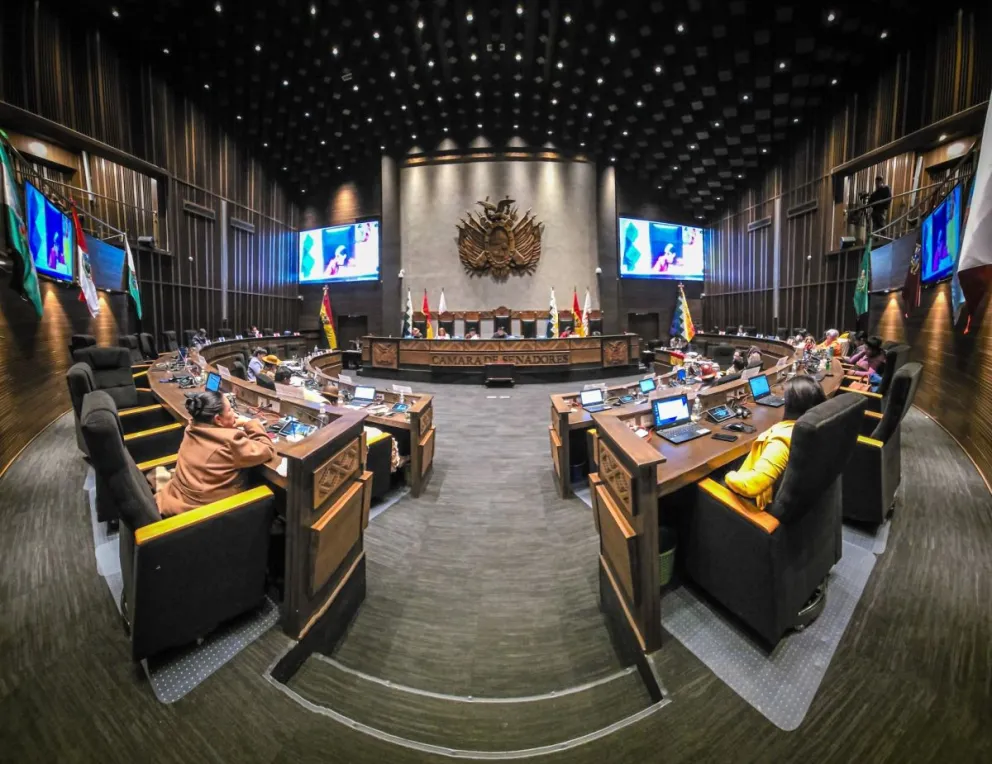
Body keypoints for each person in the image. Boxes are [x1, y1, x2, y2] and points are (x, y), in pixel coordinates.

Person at [153, 390, 277, 517]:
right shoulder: (230, 443)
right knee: (270, 491)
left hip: (180, 497)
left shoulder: (192, 428)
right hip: (206, 515)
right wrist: (249, 423)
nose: (234, 413)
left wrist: (228, 425)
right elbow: (267, 449)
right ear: (218, 419)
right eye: (230, 410)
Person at [723, 376, 826, 510]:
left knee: (713, 474)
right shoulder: (818, 426)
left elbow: (751, 485)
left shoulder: (782, 439)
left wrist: (729, 475)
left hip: (754, 504)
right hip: (800, 503)